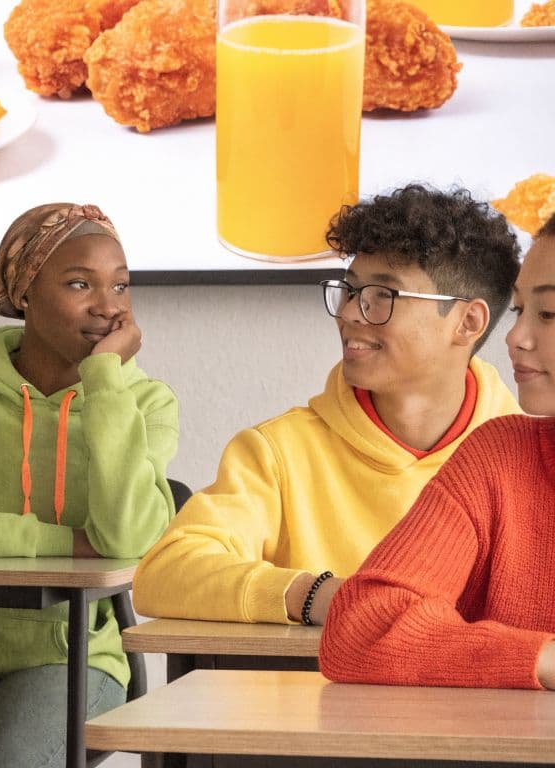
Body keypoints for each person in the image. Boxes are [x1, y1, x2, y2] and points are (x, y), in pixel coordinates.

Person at [134, 184, 522, 626]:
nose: (351, 313)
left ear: (467, 322)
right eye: (351, 291)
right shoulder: (278, 453)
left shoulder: (531, 462)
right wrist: (318, 595)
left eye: (383, 296)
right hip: (314, 696)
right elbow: (164, 573)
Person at [0, 203, 178, 768]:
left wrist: (104, 381)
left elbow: (128, 539)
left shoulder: (145, 402)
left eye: (121, 286)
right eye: (80, 283)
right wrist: (59, 542)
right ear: (25, 293)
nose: (108, 307)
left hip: (77, 657)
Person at [321, 213, 555, 689]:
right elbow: (360, 628)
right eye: (518, 311)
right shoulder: (499, 458)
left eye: (548, 314)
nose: (515, 338)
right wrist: (542, 659)